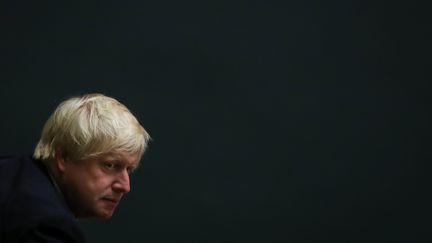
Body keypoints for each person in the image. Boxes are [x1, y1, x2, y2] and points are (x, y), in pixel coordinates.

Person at [0, 93, 151, 242]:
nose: (125, 186)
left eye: (129, 169)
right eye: (109, 165)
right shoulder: (46, 226)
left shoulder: (9, 170)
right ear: (64, 157)